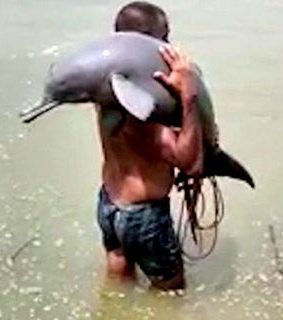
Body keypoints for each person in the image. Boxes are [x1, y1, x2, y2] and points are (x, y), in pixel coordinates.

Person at [95, 1, 204, 290]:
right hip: (144, 215)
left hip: (109, 203)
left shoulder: (104, 86)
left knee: (118, 281)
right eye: (163, 37)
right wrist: (189, 95)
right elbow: (189, 160)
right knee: (171, 290)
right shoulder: (144, 100)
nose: (168, 45)